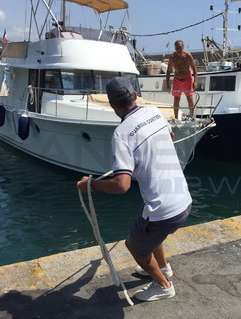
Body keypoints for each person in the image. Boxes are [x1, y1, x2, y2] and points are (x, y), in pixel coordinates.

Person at [77, 77, 192, 302]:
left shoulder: (121, 134)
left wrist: (90, 185)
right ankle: (164, 267)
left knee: (135, 246)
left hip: (165, 210)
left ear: (112, 105)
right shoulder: (155, 112)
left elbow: (121, 185)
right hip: (184, 200)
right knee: (150, 229)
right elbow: (170, 136)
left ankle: (164, 285)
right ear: (136, 96)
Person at [166, 40, 198, 119]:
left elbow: (194, 68)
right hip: (177, 79)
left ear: (183, 47)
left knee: (190, 98)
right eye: (177, 48)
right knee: (176, 99)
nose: (178, 50)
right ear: (175, 48)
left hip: (187, 79)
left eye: (180, 47)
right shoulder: (172, 57)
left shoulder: (188, 55)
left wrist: (195, 81)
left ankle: (192, 116)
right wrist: (167, 84)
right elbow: (169, 71)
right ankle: (176, 118)